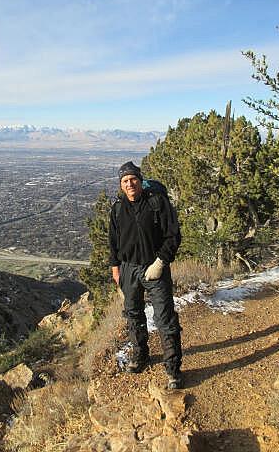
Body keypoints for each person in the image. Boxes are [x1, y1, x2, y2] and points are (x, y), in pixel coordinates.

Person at [109, 161, 183, 389]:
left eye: (133, 179)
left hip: (154, 266)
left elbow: (173, 235)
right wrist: (115, 268)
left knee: (164, 318)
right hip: (128, 268)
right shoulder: (118, 208)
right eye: (125, 181)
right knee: (133, 314)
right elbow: (113, 241)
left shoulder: (156, 203)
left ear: (140, 181)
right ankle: (140, 355)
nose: (130, 184)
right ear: (121, 185)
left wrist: (161, 261)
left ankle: (173, 370)